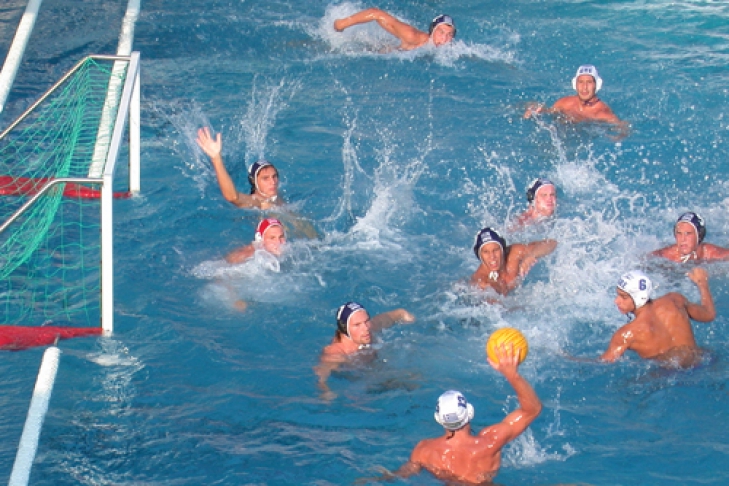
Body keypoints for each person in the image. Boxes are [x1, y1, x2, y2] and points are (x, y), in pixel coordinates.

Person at [385, 343, 541, 484]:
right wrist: (512, 375)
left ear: (438, 419)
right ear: (470, 412)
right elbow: (532, 409)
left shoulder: (424, 451)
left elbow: (403, 473)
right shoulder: (491, 442)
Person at [600, 268, 715, 368]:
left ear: (638, 297)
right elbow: (709, 314)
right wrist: (702, 283)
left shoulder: (627, 334)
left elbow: (604, 363)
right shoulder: (675, 300)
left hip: (668, 375)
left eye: (624, 297)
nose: (616, 301)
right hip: (703, 362)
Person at [315, 301, 415, 399]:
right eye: (357, 325)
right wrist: (326, 391)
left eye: (366, 321)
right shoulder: (337, 352)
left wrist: (406, 316)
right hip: (359, 381)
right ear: (345, 329)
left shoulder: (371, 328)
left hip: (377, 369)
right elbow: (321, 376)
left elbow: (396, 315)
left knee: (414, 379)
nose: (365, 328)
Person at [196, 127, 282, 210]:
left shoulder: (274, 195)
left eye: (274, 176)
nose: (273, 182)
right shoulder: (258, 202)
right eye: (265, 178)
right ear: (254, 182)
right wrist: (216, 158)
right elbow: (233, 197)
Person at [523, 64, 627, 128]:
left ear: (596, 85)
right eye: (581, 82)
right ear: (575, 85)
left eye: (589, 82)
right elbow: (550, 111)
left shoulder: (601, 112)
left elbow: (621, 126)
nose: (584, 87)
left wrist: (621, 131)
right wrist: (538, 111)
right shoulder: (565, 102)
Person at [470, 227, 557, 295]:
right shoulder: (481, 280)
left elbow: (552, 243)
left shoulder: (514, 253)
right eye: (486, 252)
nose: (492, 257)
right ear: (480, 255)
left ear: (502, 249)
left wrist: (532, 255)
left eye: (496, 250)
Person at [333, 9, 456, 51]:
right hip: (376, 52)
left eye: (449, 34)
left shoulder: (450, 50)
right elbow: (377, 14)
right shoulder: (412, 36)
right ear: (432, 32)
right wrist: (342, 24)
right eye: (441, 32)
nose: (444, 39)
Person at [650, 211, 729, 263]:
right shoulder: (668, 255)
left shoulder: (710, 253)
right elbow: (645, 261)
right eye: (679, 233)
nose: (683, 239)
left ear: (699, 236)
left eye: (688, 234)